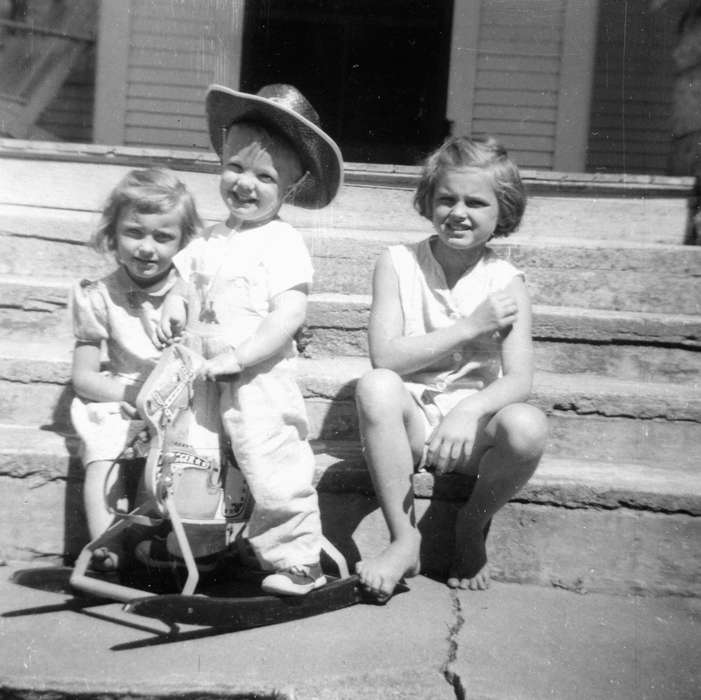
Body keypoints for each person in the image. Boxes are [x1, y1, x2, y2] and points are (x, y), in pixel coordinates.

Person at [155, 83, 344, 596]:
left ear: (291, 186)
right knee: (198, 459)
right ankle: (203, 551)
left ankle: (298, 557)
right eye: (235, 167)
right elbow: (182, 284)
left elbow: (288, 315)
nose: (245, 184)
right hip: (202, 374)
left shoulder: (281, 242)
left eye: (265, 176)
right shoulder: (210, 239)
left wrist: (241, 356)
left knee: (270, 462)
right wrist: (174, 306)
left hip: (257, 376)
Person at [354, 136, 548, 601]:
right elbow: (387, 357)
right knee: (376, 386)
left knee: (529, 427)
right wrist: (469, 327)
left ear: (502, 212)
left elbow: (520, 379)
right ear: (429, 202)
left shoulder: (505, 282)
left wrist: (469, 412)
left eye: (476, 202)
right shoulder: (397, 263)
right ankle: (405, 538)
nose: (458, 212)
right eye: (447, 198)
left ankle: (471, 522)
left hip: (472, 427)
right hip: (413, 421)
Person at [70, 167, 201, 570]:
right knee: (103, 452)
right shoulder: (98, 295)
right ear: (112, 234)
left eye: (163, 237)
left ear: (182, 243)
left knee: (183, 453)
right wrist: (131, 398)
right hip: (125, 393)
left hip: (180, 393)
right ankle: (105, 544)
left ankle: (169, 545)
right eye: (134, 232)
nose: (147, 248)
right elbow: (84, 376)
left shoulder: (192, 290)